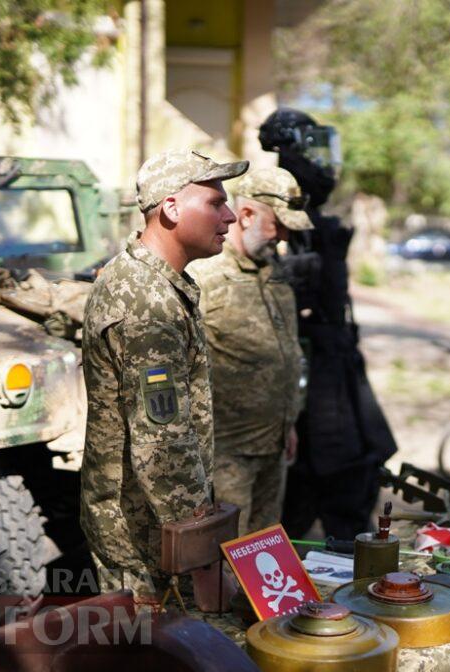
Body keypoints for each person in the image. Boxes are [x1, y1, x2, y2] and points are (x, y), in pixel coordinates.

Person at [80, 149, 247, 601]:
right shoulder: (144, 302)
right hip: (142, 533)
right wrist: (204, 560)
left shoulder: (157, 285)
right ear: (171, 208)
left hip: (161, 525)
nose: (230, 216)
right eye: (215, 203)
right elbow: (164, 444)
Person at [259, 108, 397, 540]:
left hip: (334, 358)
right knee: (320, 476)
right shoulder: (272, 213)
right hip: (304, 369)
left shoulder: (318, 224)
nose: (323, 164)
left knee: (359, 464)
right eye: (311, 149)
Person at [187, 166, 311, 537]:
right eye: (279, 224)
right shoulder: (203, 274)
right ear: (246, 215)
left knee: (266, 549)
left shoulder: (273, 273)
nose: (285, 236)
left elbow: (287, 350)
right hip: (228, 454)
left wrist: (289, 423)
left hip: (274, 444)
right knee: (225, 554)